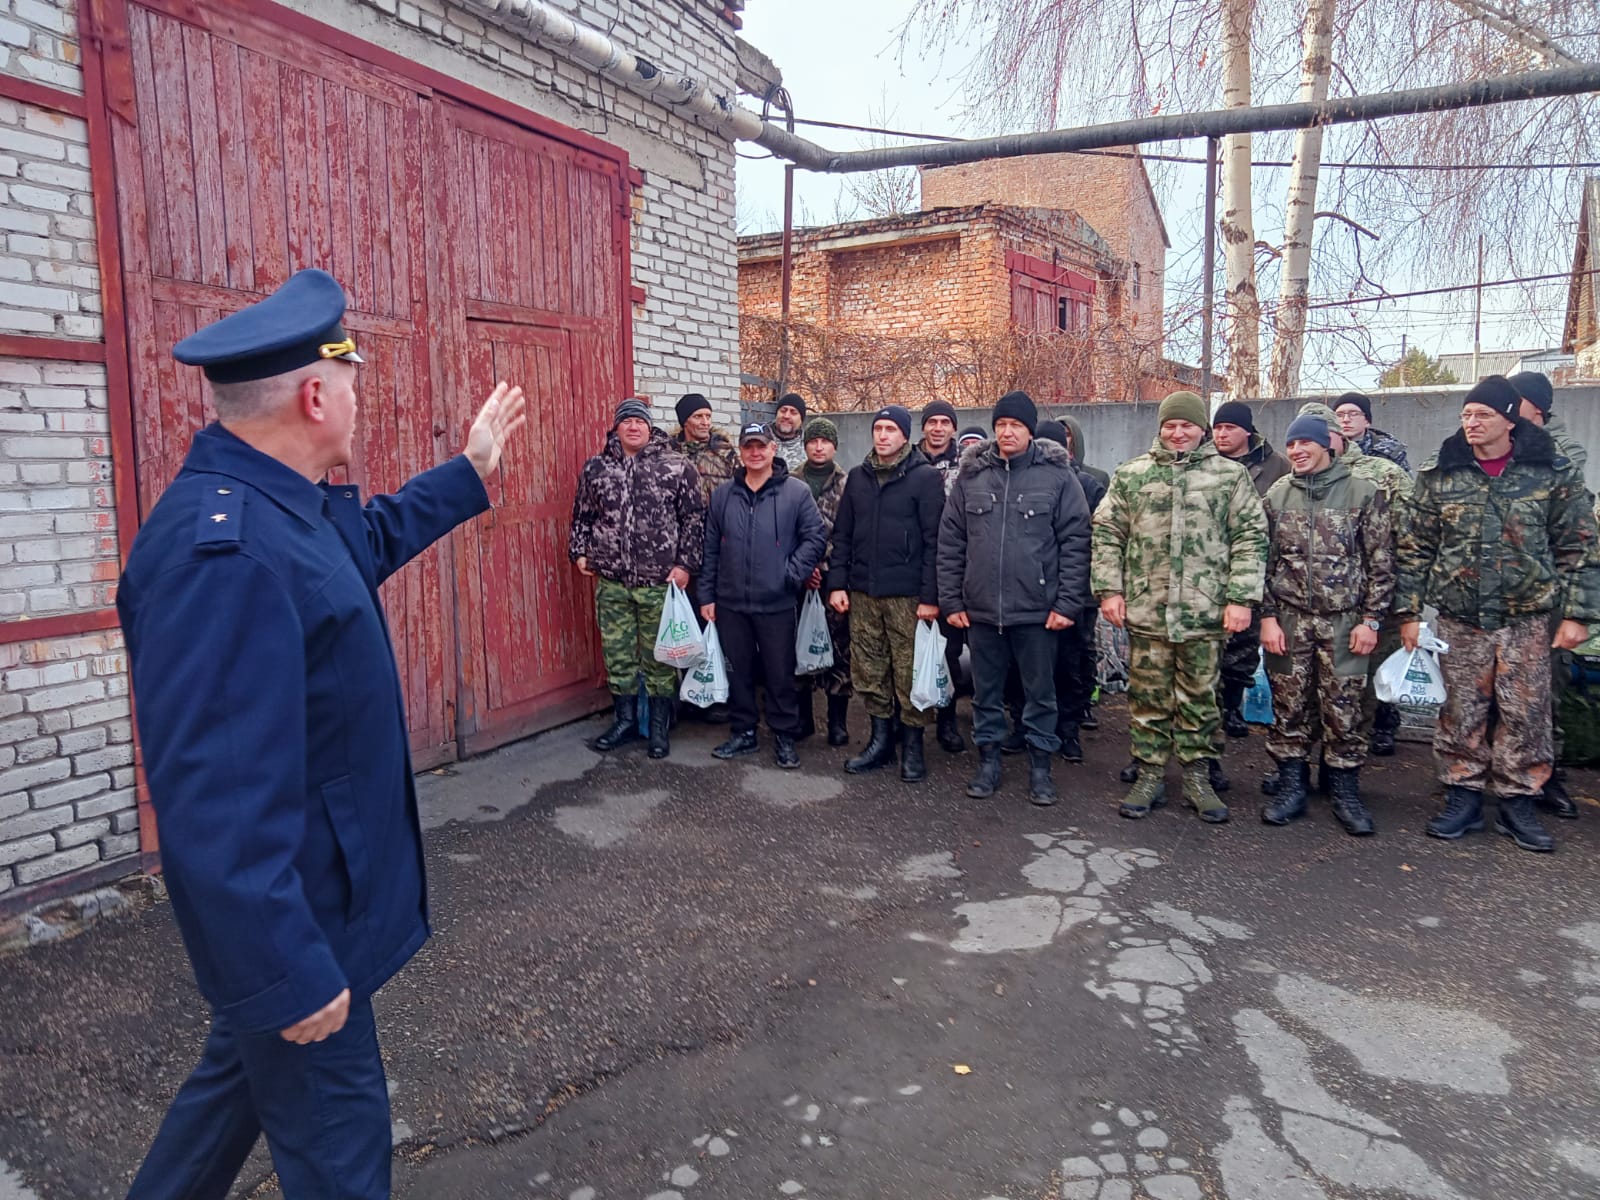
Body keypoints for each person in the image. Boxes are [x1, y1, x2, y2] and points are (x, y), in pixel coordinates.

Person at [117, 269, 527, 1200]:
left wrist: (467, 472)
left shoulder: (276, 505)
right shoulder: (220, 552)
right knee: (343, 1160)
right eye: (349, 379)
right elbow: (214, 798)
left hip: (309, 908)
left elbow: (361, 546)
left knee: (230, 1098)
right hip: (298, 925)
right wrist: (286, 967)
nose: (357, 395)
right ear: (313, 394)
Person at [1396, 375, 1600, 853]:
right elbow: (1413, 548)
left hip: (1525, 617)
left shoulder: (1549, 470)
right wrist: (1407, 613)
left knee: (1525, 712)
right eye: (1466, 414)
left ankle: (1517, 802)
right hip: (1461, 617)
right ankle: (1462, 796)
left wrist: (1578, 615)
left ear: (1509, 419)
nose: (1471, 423)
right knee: (1460, 710)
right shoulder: (1440, 471)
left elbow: (1579, 546)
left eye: (1482, 414)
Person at [1092, 390, 1269, 823]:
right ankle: (1150, 773)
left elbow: (1250, 537)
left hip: (1205, 612)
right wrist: (1109, 591)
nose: (1177, 433)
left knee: (1200, 698)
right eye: (1170, 425)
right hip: (1148, 610)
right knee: (1147, 698)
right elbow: (1106, 533)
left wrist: (1241, 598)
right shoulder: (1132, 475)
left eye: (1186, 425)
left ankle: (1197, 776)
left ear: (1201, 430)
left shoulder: (1229, 477)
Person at [939, 390, 1092, 805]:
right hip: (983, 611)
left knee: (1040, 692)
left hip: (1037, 613)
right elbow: (951, 542)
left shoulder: (1058, 478)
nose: (1007, 432)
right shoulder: (972, 477)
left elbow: (1077, 542)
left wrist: (1067, 605)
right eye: (1001, 425)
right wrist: (952, 601)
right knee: (987, 693)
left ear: (1029, 431)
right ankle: (988, 762)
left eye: (1016, 426)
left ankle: (1041, 768)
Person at [1258, 413, 1395, 834]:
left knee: (1345, 710)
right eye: (1292, 444)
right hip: (1289, 621)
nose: (1297, 451)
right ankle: (1292, 786)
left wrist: (1371, 620)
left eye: (1306, 443)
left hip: (1344, 623)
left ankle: (1343, 789)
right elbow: (1259, 563)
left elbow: (1382, 563)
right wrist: (1266, 617)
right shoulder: (1277, 496)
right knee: (1289, 708)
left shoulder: (1363, 492)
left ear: (1327, 445)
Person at [569, 398, 706, 759]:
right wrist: (579, 551)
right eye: (626, 421)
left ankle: (658, 730)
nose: (633, 427)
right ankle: (625, 721)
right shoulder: (596, 468)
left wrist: (685, 565)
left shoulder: (676, 466)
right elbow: (582, 515)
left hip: (659, 582)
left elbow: (694, 519)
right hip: (612, 581)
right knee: (618, 657)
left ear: (649, 427)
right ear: (616, 427)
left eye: (639, 421)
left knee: (660, 659)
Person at [827, 404, 946, 782]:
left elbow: (935, 542)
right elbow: (843, 534)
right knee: (870, 670)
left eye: (891, 429)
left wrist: (930, 597)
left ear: (906, 436)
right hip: (863, 592)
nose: (883, 436)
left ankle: (913, 747)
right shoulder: (859, 478)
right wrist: (837, 584)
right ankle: (879, 742)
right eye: (878, 428)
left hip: (907, 596)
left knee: (908, 674)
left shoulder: (924, 478)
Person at [701, 422, 827, 768]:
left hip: (777, 602)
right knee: (739, 671)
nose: (755, 453)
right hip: (731, 603)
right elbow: (710, 547)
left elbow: (815, 537)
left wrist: (791, 574)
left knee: (779, 672)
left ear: (773, 449)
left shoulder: (795, 492)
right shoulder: (724, 494)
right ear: (740, 452)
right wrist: (707, 596)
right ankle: (743, 732)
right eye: (748, 447)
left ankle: (784, 735)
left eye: (761, 446)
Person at [1510, 369, 1589, 817]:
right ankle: (1488, 777)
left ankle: (1547, 777)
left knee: (1545, 689)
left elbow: (1575, 525)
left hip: (1546, 593)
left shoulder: (1563, 450)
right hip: (1499, 592)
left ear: (1533, 407)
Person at [1209, 400, 1290, 742]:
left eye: (1229, 428)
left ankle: (1232, 707)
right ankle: (1209, 712)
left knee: (1243, 650)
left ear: (1247, 430)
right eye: (1218, 428)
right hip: (1210, 569)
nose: (1222, 434)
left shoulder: (1275, 467)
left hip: (1254, 567)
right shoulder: (1204, 463)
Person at [1037, 419, 1106, 762]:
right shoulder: (1021, 481)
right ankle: (1033, 727)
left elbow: (1092, 542)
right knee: (1034, 667)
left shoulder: (1088, 485)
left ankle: (1069, 728)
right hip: (1034, 592)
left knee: (1071, 663)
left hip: (1075, 592)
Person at [797, 416, 853, 746]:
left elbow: (852, 534)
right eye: (813, 440)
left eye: (825, 441)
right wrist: (804, 568)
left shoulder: (849, 483)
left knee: (838, 649)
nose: (819, 446)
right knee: (800, 646)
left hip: (835, 580)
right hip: (800, 579)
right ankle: (804, 719)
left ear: (834, 446)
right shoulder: (790, 481)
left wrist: (834, 573)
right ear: (806, 445)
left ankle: (837, 722)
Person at [920, 398, 970, 753]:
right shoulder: (906, 462)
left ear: (953, 427)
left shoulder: (969, 467)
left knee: (949, 652)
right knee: (911, 651)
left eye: (944, 422)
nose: (938, 428)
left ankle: (947, 721)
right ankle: (907, 724)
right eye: (931, 421)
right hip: (913, 570)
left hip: (954, 570)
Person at [669, 392, 739, 506]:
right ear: (685, 421)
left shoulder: (723, 450)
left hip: (717, 521)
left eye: (708, 416)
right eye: (698, 416)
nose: (705, 423)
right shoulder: (670, 452)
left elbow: (741, 488)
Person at [1335, 391, 1411, 474]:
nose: (1346, 419)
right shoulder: (1324, 448)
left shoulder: (1389, 450)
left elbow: (1406, 483)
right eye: (1339, 415)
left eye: (1354, 414)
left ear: (1367, 421)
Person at [772, 392, 809, 472]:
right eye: (783, 410)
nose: (786, 416)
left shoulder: (809, 444)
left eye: (793, 412)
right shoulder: (762, 437)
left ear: (801, 419)